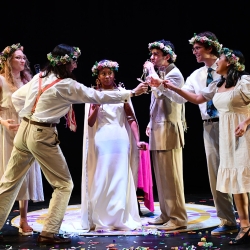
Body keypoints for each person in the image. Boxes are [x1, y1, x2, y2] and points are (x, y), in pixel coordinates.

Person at [0, 44, 148, 244]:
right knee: (64, 184)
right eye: (74, 61)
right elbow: (96, 96)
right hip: (41, 134)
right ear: (65, 62)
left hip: (25, 130)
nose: (76, 65)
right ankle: (49, 232)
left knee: (9, 183)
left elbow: (18, 97)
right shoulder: (66, 85)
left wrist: (27, 116)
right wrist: (130, 93)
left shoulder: (41, 76)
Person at [154, 48, 250, 245]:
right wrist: (171, 87)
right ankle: (245, 225)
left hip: (244, 132)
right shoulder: (218, 83)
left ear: (229, 63)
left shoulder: (245, 81)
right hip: (226, 134)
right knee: (235, 180)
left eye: (221, 59)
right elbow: (198, 98)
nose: (217, 63)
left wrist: (246, 122)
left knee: (245, 177)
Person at [81, 59, 146, 231]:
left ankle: (119, 216)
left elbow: (131, 118)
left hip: (120, 136)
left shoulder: (122, 93)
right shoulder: (94, 94)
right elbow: (90, 122)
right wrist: (95, 107)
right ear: (98, 76)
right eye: (103, 73)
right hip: (103, 137)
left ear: (114, 74)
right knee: (103, 174)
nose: (107, 76)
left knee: (120, 175)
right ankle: (102, 217)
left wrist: (137, 139)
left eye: (110, 73)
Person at [143, 39, 188, 230]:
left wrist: (152, 74)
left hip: (169, 129)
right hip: (158, 128)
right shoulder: (161, 73)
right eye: (151, 55)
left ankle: (178, 217)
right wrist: (150, 121)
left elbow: (175, 97)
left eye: (156, 55)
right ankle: (166, 213)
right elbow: (157, 101)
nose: (152, 58)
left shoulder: (174, 74)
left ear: (167, 56)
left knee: (172, 176)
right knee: (161, 175)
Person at [0, 43, 44, 236]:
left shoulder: (28, 81)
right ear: (9, 61)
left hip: (26, 129)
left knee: (25, 174)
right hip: (8, 131)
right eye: (18, 57)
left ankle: (24, 218)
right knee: (8, 174)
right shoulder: (0, 80)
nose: (22, 60)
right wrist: (4, 123)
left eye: (23, 58)